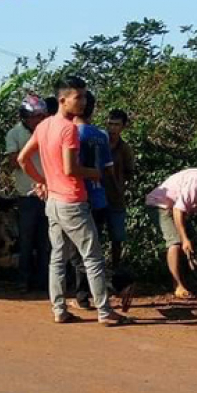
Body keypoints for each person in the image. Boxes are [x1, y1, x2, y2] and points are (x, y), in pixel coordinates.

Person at [17, 76, 124, 326]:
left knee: (57, 257)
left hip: (53, 201)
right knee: (93, 256)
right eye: (79, 97)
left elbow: (23, 159)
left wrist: (42, 181)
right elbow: (70, 168)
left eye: (85, 96)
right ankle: (105, 311)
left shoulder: (43, 126)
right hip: (73, 201)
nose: (83, 102)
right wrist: (95, 172)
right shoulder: (68, 129)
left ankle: (59, 309)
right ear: (62, 100)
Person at [70, 91, 114, 308]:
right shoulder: (101, 135)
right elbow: (108, 170)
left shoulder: (72, 133)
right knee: (95, 248)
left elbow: (70, 169)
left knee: (78, 251)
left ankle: (82, 296)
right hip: (100, 198)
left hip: (79, 198)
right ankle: (95, 292)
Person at [145, 168, 197, 298]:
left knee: (193, 241)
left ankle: (189, 280)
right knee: (176, 242)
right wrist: (184, 239)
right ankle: (177, 285)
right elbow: (179, 209)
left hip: (176, 207)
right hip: (160, 205)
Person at [5, 95, 49, 292]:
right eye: (34, 116)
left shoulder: (48, 132)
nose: (38, 120)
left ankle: (43, 281)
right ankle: (23, 280)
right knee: (26, 240)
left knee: (45, 241)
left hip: (48, 193)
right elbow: (14, 162)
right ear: (24, 117)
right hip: (27, 194)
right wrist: (31, 148)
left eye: (41, 116)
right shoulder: (14, 134)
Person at [104, 109, 135, 270]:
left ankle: (116, 271)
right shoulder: (98, 142)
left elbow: (130, 172)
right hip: (96, 197)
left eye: (116, 125)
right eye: (110, 124)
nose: (112, 128)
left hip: (116, 198)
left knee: (117, 238)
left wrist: (120, 185)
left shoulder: (125, 149)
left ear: (123, 127)